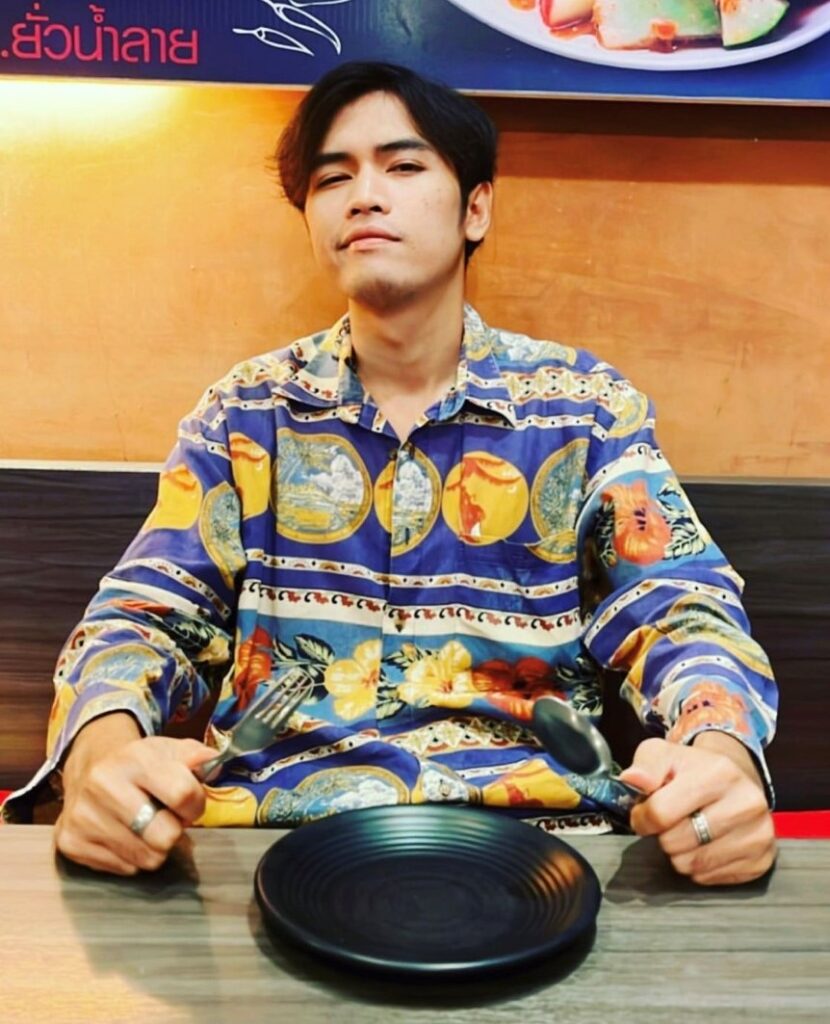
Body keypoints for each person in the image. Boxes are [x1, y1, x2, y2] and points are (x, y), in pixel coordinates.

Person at [4, 62, 777, 886]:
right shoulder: (245, 413)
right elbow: (144, 618)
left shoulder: (585, 410)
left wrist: (720, 755)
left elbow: (684, 611)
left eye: (403, 166)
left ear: (476, 208)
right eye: (333, 178)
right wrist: (101, 751)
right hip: (268, 842)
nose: (365, 196)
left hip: (537, 846)